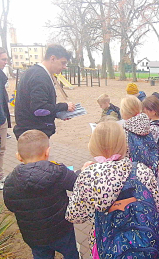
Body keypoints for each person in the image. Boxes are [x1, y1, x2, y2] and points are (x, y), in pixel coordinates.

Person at [65, 120, 159, 257]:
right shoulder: (142, 170)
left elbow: (74, 216)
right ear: (124, 143)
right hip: (145, 242)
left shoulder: (88, 177)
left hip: (107, 245)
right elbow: (158, 206)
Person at [3, 130, 92, 259]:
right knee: (71, 253)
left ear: (18, 156)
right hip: (62, 230)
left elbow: (10, 205)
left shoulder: (11, 180)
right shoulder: (58, 171)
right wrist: (82, 172)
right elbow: (76, 184)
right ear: (47, 152)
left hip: (33, 236)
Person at [13, 44, 76, 139]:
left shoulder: (35, 72)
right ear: (53, 58)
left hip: (29, 130)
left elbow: (36, 106)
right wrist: (64, 106)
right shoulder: (40, 77)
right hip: (33, 134)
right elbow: (39, 109)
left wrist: (58, 113)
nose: (64, 67)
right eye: (63, 63)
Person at [121, 95, 159, 174]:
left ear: (124, 112)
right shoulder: (146, 124)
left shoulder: (125, 130)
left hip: (133, 173)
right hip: (148, 170)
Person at [0, 47, 11, 189]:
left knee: (1, 149)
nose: (5, 62)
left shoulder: (2, 77)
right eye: (3, 59)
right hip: (0, 118)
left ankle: (0, 176)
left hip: (2, 117)